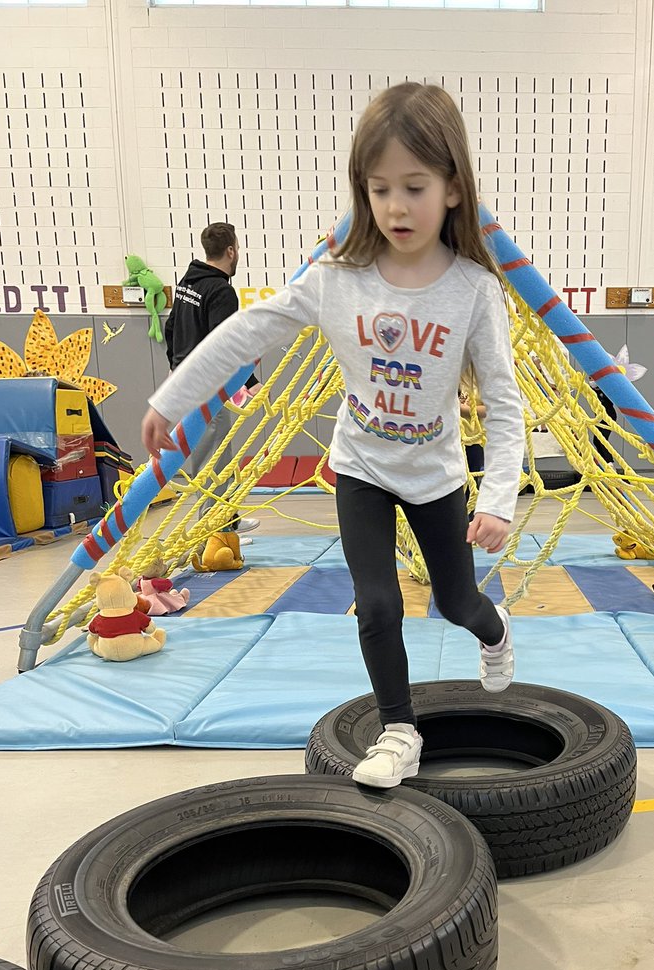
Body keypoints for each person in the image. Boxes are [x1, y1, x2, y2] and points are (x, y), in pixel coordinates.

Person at [143, 82, 524, 788]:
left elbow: (504, 404)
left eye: (414, 187)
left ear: (452, 189)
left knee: (455, 602)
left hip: (436, 475)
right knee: (376, 603)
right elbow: (250, 331)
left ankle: (495, 630)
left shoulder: (473, 289)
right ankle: (399, 731)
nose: (396, 206)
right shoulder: (336, 278)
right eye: (380, 189)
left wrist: (498, 498)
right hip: (361, 468)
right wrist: (174, 395)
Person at [164, 221, 260, 530]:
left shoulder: (188, 282)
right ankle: (215, 528)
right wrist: (250, 382)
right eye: (238, 249)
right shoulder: (220, 290)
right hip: (205, 382)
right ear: (230, 251)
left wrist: (174, 363)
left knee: (211, 450)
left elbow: (170, 326)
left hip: (185, 378)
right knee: (214, 454)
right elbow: (224, 342)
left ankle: (226, 519)